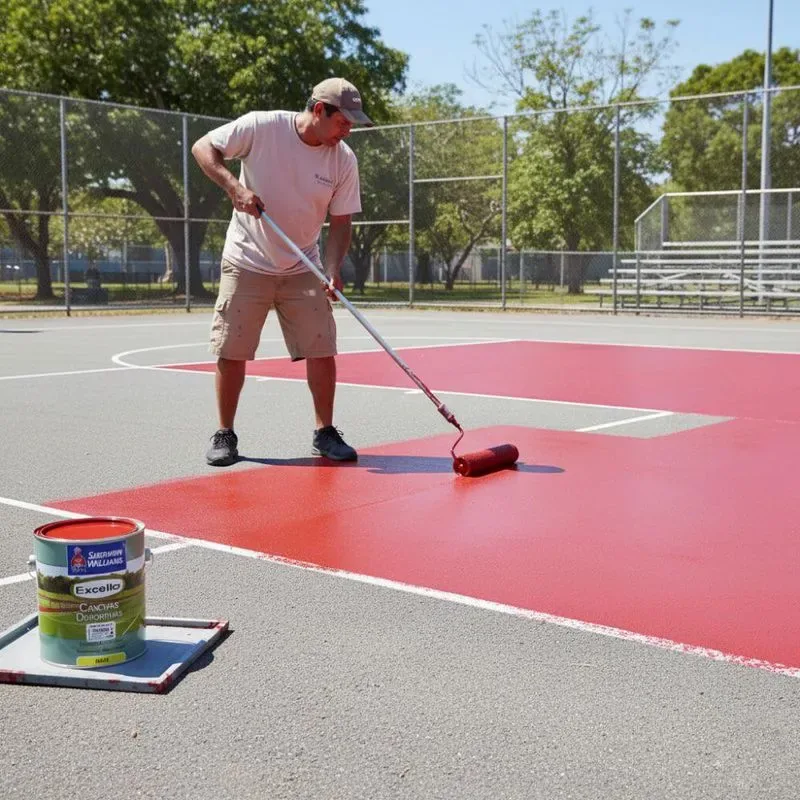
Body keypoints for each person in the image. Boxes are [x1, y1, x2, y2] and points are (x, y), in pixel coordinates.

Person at [191, 77, 373, 467]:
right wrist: (233, 189)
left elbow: (341, 223)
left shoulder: (343, 160)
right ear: (320, 110)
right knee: (232, 348)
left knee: (321, 347)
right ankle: (225, 434)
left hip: (303, 264)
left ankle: (325, 433)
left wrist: (331, 268)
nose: (349, 130)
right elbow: (203, 147)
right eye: (344, 121)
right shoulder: (262, 127)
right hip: (247, 258)